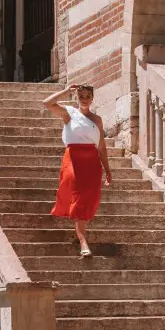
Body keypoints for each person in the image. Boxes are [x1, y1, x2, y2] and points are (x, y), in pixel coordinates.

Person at [44, 82, 112, 257]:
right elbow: (47, 103)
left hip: (92, 163)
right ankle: (83, 241)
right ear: (76, 97)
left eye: (88, 97)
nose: (84, 99)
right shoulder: (69, 114)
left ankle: (81, 236)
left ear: (92, 98)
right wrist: (66, 91)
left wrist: (108, 170)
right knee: (79, 199)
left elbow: (102, 148)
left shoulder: (97, 120)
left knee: (88, 200)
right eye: (81, 96)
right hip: (73, 160)